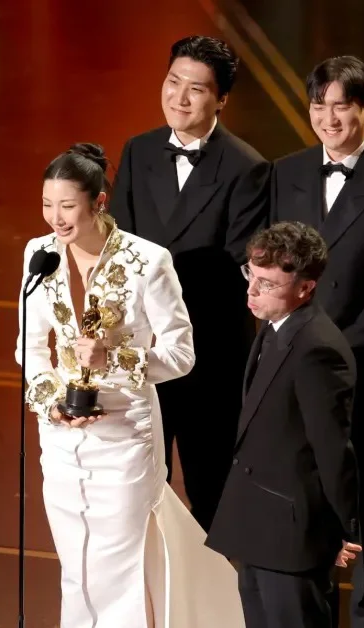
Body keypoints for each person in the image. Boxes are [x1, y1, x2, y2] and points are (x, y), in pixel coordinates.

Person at [17, 143, 246, 628]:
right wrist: (51, 403)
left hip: (125, 437)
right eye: (47, 204)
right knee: (76, 566)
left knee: (120, 565)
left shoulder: (148, 261)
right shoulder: (38, 254)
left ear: (98, 201)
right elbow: (30, 346)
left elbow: (181, 354)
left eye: (67, 206)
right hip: (60, 438)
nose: (55, 218)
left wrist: (116, 358)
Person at [270, 54, 364, 628]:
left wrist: (345, 345)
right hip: (290, 360)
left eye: (341, 106)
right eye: (318, 105)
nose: (328, 119)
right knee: (303, 490)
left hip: (356, 363)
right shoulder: (285, 172)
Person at [109, 35, 270, 531]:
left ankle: (216, 583)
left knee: (211, 492)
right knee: (137, 489)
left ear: (221, 99)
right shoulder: (138, 151)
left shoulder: (248, 167)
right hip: (142, 355)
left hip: (209, 357)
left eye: (196, 89)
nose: (179, 98)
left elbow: (237, 271)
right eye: (172, 82)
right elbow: (118, 249)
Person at [206, 221, 363, 628]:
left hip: (293, 536)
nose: (251, 291)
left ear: (305, 288)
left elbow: (332, 448)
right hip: (260, 526)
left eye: (267, 283)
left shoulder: (318, 349)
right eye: (250, 275)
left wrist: (344, 528)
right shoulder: (274, 327)